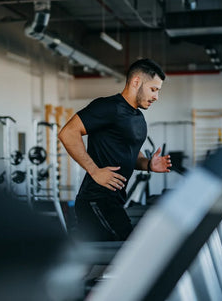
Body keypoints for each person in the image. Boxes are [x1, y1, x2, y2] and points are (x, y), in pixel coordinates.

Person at [58, 58, 172, 241]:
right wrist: (94, 170)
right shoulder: (109, 107)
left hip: (114, 200)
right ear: (136, 82)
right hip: (96, 199)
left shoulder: (138, 117)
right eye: (153, 89)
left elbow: (130, 156)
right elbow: (68, 133)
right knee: (129, 249)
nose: (156, 97)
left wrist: (148, 164)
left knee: (111, 256)